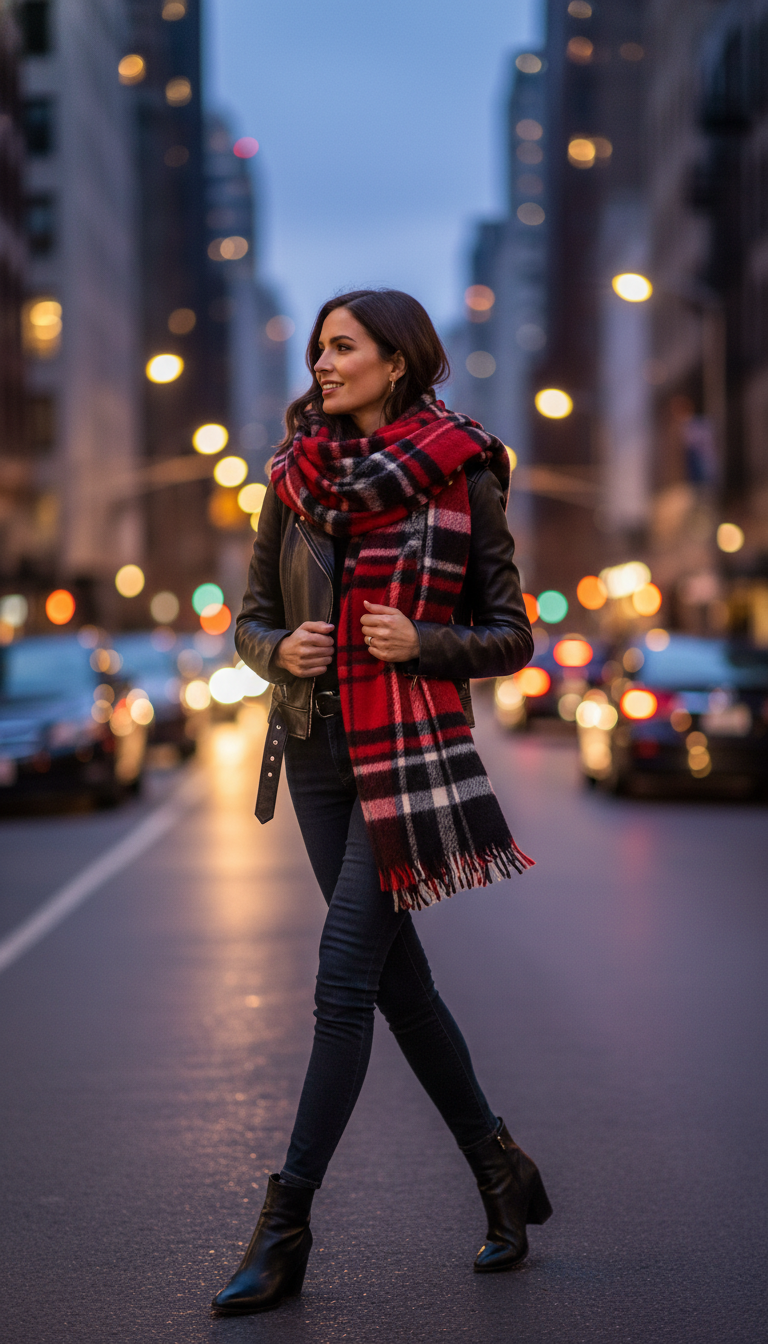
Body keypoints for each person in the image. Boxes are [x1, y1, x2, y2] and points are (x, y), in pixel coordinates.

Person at [211, 289, 552, 1316]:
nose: (323, 363)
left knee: (342, 979)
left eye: (343, 347)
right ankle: (501, 1169)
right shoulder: (290, 479)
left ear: (396, 362)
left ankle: (286, 1224)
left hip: (405, 756)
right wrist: (282, 650)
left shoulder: (463, 470)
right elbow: (250, 620)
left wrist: (425, 643)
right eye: (319, 348)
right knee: (399, 985)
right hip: (316, 749)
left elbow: (512, 633)